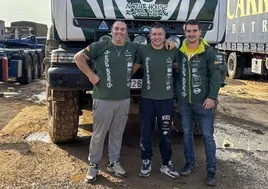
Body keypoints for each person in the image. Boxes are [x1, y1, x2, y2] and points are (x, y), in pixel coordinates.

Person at [74, 21, 174, 183]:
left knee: (117, 133)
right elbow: (78, 57)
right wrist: (91, 75)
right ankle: (93, 165)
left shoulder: (132, 47)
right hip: (103, 98)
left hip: (123, 99)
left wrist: (169, 42)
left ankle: (114, 163)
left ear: (127, 33)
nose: (120, 32)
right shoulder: (100, 46)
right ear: (112, 31)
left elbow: (153, 47)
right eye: (117, 29)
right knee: (99, 134)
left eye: (123, 30)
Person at [175, 19, 221, 186]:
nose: (191, 34)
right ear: (184, 32)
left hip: (203, 102)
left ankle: (211, 170)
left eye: (194, 31)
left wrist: (212, 97)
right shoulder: (179, 51)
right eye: (188, 31)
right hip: (185, 102)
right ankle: (190, 163)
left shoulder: (208, 51)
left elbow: (215, 76)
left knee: (208, 137)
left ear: (200, 32)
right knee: (186, 134)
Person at [132, 23, 179, 179]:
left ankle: (166, 163)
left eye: (160, 34)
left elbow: (180, 69)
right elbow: (132, 70)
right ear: (149, 36)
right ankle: (146, 161)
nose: (157, 37)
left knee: (165, 133)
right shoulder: (143, 51)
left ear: (164, 36)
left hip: (166, 100)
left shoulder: (172, 50)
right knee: (146, 132)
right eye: (154, 34)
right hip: (147, 100)